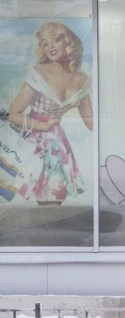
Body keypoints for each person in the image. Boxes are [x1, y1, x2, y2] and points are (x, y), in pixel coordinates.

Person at [7, 21, 92, 205]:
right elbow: (14, 114)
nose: (50, 46)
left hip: (56, 146)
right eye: (45, 43)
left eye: (56, 39)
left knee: (53, 199)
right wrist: (42, 125)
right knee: (22, 199)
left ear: (69, 42)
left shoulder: (81, 80)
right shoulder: (38, 73)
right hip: (31, 143)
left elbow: (91, 121)